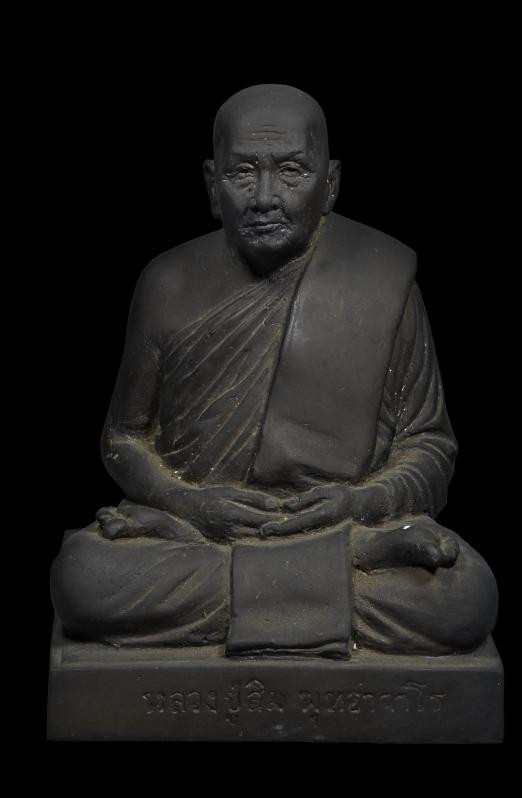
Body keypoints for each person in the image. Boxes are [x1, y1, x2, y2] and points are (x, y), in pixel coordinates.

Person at [51, 84, 498, 655]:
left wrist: (357, 506)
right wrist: (191, 504)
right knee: (83, 577)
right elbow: (123, 439)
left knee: (463, 596)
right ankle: (335, 575)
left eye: (291, 172)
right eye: (242, 173)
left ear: (330, 184)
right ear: (212, 185)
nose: (265, 197)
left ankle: (319, 563)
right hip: (202, 531)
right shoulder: (166, 284)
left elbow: (429, 446)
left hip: (339, 523)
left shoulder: (382, 283)